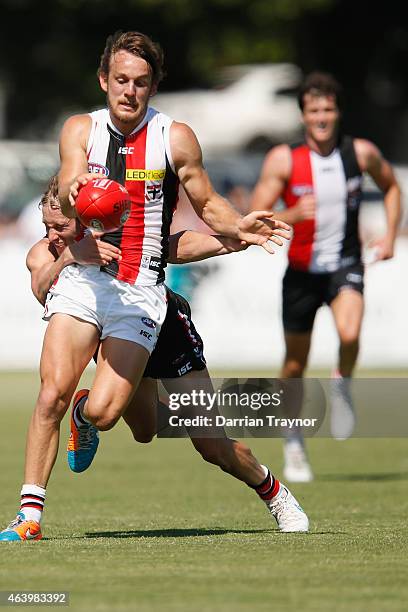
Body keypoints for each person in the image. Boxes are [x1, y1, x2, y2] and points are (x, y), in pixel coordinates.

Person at [0, 29, 302, 541]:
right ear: (103, 80)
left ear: (154, 85)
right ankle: (29, 515)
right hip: (84, 281)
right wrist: (79, 195)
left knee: (119, 417)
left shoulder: (174, 137)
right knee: (50, 392)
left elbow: (207, 205)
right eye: (120, 80)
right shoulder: (80, 129)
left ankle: (90, 417)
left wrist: (237, 228)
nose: (129, 91)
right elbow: (72, 178)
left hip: (142, 292)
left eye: (140, 82)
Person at [250, 71, 401, 482]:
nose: (322, 116)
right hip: (300, 274)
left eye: (328, 109)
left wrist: (388, 235)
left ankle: (342, 384)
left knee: (350, 335)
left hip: (345, 265)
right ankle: (293, 441)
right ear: (303, 115)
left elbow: (391, 187)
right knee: (295, 364)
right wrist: (291, 215)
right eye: (314, 109)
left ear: (338, 112)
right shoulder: (284, 158)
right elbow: (256, 215)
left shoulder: (361, 152)